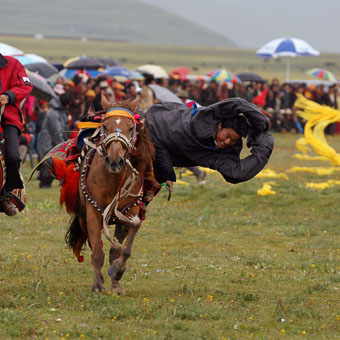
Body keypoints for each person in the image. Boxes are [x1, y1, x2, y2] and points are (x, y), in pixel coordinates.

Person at [144, 98, 274, 186]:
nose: (228, 142)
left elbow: (236, 174)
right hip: (153, 124)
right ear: (219, 125)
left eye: (233, 140)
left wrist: (264, 145)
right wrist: (262, 123)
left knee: (162, 177)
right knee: (164, 172)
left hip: (165, 153)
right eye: (227, 135)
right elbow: (238, 103)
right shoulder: (207, 117)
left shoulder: (224, 153)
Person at [0, 53, 32, 216]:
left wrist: (9, 95)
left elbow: (25, 86)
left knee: (12, 156)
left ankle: (6, 194)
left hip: (7, 120)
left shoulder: (13, 64)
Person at [37, 93, 72, 188]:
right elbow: (57, 132)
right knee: (48, 161)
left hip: (53, 142)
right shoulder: (54, 114)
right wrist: (63, 145)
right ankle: (44, 182)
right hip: (48, 142)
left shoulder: (60, 111)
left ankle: (47, 181)